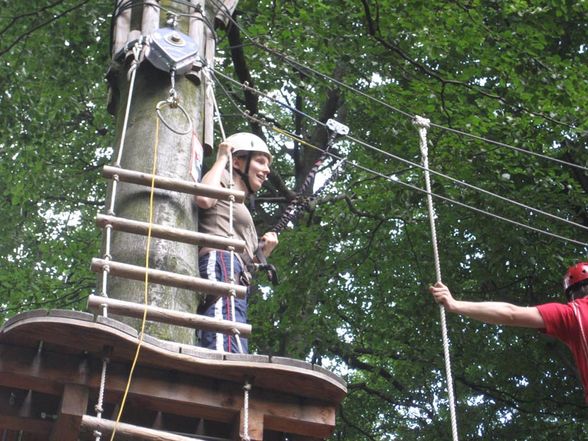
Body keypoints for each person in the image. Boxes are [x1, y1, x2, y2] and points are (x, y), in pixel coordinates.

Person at [429, 261, 588, 402]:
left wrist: (455, 305)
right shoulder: (572, 314)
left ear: (571, 295)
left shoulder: (572, 314)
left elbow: (510, 313)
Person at [195, 132, 278, 353]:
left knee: (233, 331)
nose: (267, 170)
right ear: (239, 161)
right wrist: (222, 158)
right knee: (226, 336)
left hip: (234, 272)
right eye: (260, 161)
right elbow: (203, 199)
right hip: (221, 260)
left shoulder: (242, 209)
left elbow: (246, 266)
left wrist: (262, 253)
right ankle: (225, 373)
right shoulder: (222, 177)